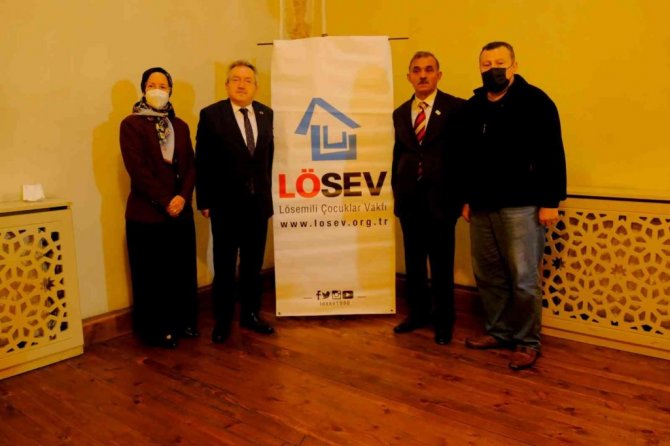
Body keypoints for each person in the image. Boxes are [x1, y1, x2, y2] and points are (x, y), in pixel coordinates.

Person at [460, 42, 567, 370]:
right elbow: (466, 157)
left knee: (523, 278)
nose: (493, 68)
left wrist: (550, 202)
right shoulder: (474, 106)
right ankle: (499, 331)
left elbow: (552, 153)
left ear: (514, 66)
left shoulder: (536, 101)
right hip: (481, 205)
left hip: (522, 205)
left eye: (500, 63)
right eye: (486, 63)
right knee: (488, 274)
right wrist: (466, 198)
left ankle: (527, 342)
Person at [195, 60, 275, 343]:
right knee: (225, 266)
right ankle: (223, 320)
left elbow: (267, 159)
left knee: (253, 266)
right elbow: (202, 160)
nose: (242, 84)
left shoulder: (266, 114)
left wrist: (266, 194)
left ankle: (251, 314)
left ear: (256, 86)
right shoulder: (211, 115)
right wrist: (204, 200)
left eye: (248, 80)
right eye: (236, 79)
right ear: (227, 84)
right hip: (224, 205)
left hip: (257, 205)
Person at [120, 67, 199, 349]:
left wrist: (182, 197)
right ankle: (157, 328)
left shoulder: (180, 126)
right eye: (151, 85)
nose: (157, 89)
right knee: (152, 276)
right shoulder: (131, 125)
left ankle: (184, 321)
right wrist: (166, 200)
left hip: (180, 211)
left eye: (163, 85)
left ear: (170, 90)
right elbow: (138, 170)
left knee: (181, 271)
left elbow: (190, 166)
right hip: (147, 215)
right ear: (143, 89)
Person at [391, 51, 465, 345]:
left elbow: (464, 157)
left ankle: (444, 320)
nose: (423, 75)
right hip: (409, 202)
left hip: (442, 202)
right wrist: (397, 192)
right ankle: (418, 313)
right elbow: (399, 155)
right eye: (417, 70)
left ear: (438, 75)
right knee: (414, 263)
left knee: (442, 265)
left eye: (429, 69)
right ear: (409, 77)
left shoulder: (456, 108)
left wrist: (463, 198)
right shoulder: (400, 113)